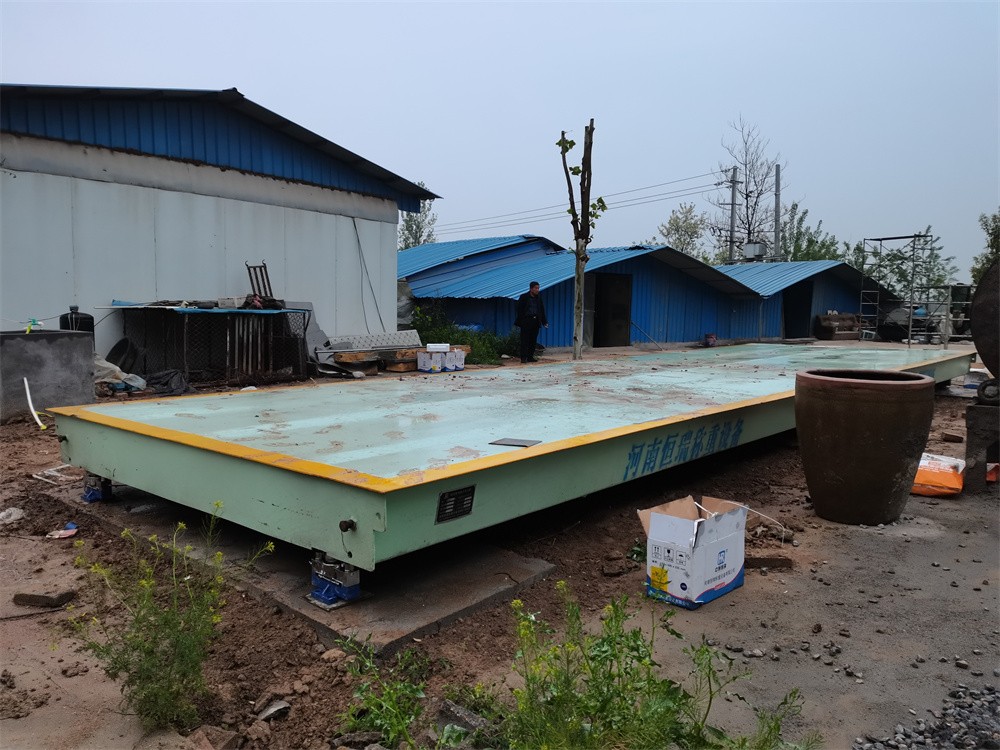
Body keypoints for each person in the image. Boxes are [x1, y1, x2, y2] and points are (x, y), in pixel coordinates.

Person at [515, 281, 548, 363]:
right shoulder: (524, 297)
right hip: (526, 321)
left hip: (536, 321)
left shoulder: (539, 298)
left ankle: (530, 357)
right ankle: (523, 358)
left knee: (533, 340)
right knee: (524, 340)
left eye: (538, 288)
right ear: (531, 289)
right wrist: (522, 320)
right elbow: (519, 309)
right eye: (536, 288)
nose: (537, 290)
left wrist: (544, 322)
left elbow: (541, 310)